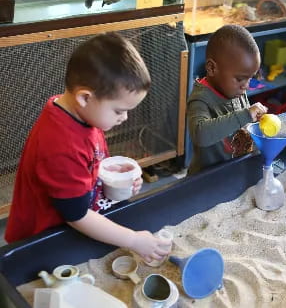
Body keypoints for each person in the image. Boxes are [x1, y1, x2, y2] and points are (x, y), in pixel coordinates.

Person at [5, 32, 170, 263]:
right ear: (85, 97)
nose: (125, 118)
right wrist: (133, 240)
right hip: (44, 239)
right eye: (118, 110)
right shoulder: (60, 145)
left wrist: (115, 183)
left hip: (76, 217)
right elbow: (76, 216)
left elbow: (89, 163)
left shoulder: (81, 112)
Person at [187, 24, 267, 174]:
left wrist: (257, 122)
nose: (246, 86)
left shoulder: (235, 90)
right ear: (212, 68)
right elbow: (200, 135)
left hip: (235, 169)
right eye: (240, 79)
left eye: (250, 78)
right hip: (208, 179)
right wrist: (247, 114)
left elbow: (244, 126)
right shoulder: (200, 99)